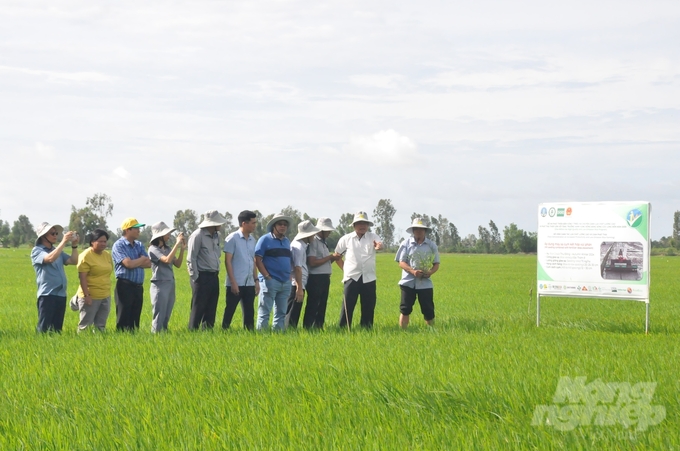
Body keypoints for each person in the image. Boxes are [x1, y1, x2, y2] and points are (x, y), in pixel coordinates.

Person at [333, 211, 383, 329]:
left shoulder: (372, 236)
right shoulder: (346, 239)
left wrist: (379, 246)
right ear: (354, 225)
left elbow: (380, 244)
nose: (362, 226)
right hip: (351, 277)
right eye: (359, 223)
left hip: (369, 277)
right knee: (347, 306)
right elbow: (337, 256)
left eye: (365, 223)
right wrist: (345, 270)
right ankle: (344, 328)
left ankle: (366, 328)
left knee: (369, 305)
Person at [31, 222, 79, 332]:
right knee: (44, 329)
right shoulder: (37, 251)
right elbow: (49, 259)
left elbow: (73, 261)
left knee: (57, 330)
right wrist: (63, 242)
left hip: (61, 294)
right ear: (43, 236)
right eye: (52, 233)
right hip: (47, 294)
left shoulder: (56, 251)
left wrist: (74, 246)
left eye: (56, 233)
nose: (55, 236)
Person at [395, 218, 440, 329]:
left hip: (425, 283)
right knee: (405, 309)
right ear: (413, 230)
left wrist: (429, 272)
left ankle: (431, 331)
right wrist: (413, 271)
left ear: (425, 231)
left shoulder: (431, 245)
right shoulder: (406, 244)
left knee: (428, 310)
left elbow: (436, 264)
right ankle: (403, 332)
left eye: (421, 229)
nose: (419, 231)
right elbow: (401, 262)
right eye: (416, 229)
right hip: (408, 282)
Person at [187, 210, 227, 330]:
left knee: (211, 307)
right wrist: (195, 278)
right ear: (213, 224)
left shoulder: (216, 236)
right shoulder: (197, 236)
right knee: (198, 307)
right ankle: (192, 332)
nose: (220, 225)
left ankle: (207, 332)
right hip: (201, 276)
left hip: (214, 276)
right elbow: (191, 258)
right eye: (218, 223)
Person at [222, 210, 259, 330]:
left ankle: (250, 336)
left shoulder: (253, 240)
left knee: (249, 314)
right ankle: (224, 333)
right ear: (244, 223)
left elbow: (253, 261)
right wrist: (233, 283)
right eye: (253, 223)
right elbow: (227, 261)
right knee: (230, 311)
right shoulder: (232, 238)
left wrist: (256, 281)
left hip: (249, 282)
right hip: (236, 283)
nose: (255, 225)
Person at [111, 218, 151, 331]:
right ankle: (121, 341)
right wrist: (140, 260)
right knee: (124, 317)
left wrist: (136, 262)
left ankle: (132, 340)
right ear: (128, 230)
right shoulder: (119, 245)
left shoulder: (139, 244)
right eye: (136, 228)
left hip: (138, 287)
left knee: (135, 318)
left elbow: (148, 263)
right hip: (125, 285)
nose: (139, 231)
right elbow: (128, 264)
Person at [255, 213, 293, 331]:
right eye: (280, 224)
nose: (283, 227)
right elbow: (257, 259)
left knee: (281, 312)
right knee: (265, 312)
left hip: (285, 282)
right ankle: (262, 336)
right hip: (270, 281)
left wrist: (289, 277)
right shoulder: (265, 239)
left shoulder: (287, 241)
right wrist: (267, 276)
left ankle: (278, 336)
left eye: (285, 225)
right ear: (273, 226)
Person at [304, 217, 341, 329]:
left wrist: (333, 258)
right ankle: (308, 327)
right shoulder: (314, 242)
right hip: (315, 278)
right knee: (314, 304)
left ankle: (318, 327)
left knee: (322, 304)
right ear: (321, 230)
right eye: (328, 231)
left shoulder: (323, 242)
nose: (329, 233)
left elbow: (324, 261)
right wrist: (330, 256)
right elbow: (312, 262)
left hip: (324, 278)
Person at [148, 222, 186, 333]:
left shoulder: (168, 248)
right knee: (159, 314)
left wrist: (182, 249)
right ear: (160, 236)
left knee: (167, 313)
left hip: (170, 283)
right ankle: (155, 337)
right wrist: (177, 244)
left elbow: (177, 264)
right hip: (159, 284)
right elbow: (166, 260)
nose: (169, 236)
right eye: (167, 234)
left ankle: (164, 334)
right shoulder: (153, 249)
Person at [75, 229, 113, 332]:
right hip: (90, 296)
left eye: (105, 241)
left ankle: (99, 344)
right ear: (92, 241)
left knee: (101, 326)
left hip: (105, 295)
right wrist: (87, 296)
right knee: (85, 326)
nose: (103, 244)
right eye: (100, 241)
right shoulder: (85, 256)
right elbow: (82, 278)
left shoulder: (107, 255)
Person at [285, 220, 321, 328]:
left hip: (298, 283)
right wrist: (299, 288)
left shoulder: (302, 245)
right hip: (295, 284)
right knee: (292, 312)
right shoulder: (298, 247)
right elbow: (297, 268)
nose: (314, 236)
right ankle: (289, 332)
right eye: (313, 234)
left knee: (295, 310)